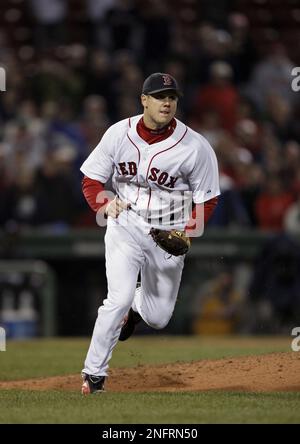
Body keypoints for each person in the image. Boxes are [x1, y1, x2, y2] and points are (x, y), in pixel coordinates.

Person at [79, 72, 220, 394]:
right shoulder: (118, 133)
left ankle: (136, 311)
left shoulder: (195, 146)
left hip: (168, 232)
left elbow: (208, 198)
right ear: (144, 100)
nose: (166, 102)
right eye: (159, 96)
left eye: (171, 97)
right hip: (124, 225)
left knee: (158, 317)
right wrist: (103, 204)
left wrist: (188, 232)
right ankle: (94, 374)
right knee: (116, 299)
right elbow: (91, 179)